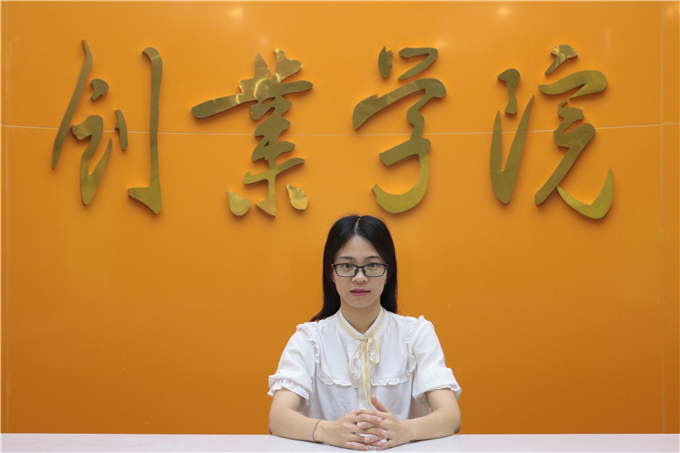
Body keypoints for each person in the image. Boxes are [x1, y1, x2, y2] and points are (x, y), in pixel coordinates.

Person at [268, 215, 461, 451]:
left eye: (372, 265)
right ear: (331, 273)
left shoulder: (416, 335)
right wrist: (329, 431)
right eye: (347, 266)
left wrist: (405, 430)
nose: (360, 277)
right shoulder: (309, 340)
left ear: (388, 271)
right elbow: (278, 417)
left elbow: (451, 415)